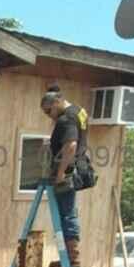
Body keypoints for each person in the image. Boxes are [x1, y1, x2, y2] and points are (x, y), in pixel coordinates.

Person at [40, 86, 89, 254]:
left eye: (49, 111)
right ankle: (69, 254)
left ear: (57, 102)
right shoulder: (79, 111)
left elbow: (71, 145)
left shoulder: (66, 118)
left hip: (68, 170)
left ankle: (72, 255)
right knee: (68, 211)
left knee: (66, 213)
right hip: (77, 166)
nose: (48, 115)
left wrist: (60, 173)